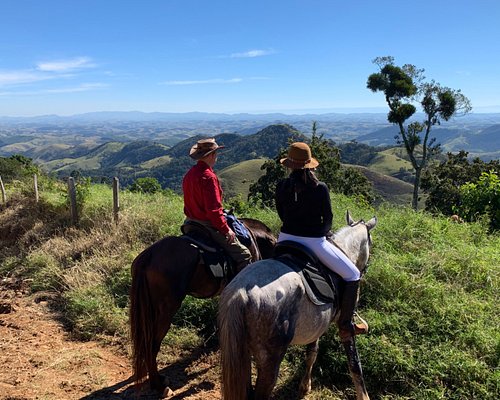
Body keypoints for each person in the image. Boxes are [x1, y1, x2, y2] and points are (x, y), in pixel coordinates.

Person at [275, 142, 368, 341]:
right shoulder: (320, 188)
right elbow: (327, 219)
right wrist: (323, 234)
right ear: (309, 165)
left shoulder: (281, 186)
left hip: (284, 239)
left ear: (290, 165)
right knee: (352, 274)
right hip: (315, 242)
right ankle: (345, 325)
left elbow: (281, 213)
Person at [182, 138, 252, 271]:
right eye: (216, 154)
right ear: (212, 155)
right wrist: (227, 230)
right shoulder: (209, 177)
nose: (216, 157)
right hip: (207, 224)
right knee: (244, 255)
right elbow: (213, 211)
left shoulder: (189, 174)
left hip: (190, 223)